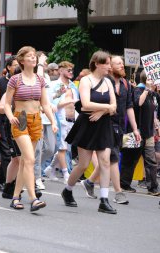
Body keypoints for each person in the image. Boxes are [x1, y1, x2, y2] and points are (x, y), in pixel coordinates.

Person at [62, 50, 117, 214]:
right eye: (106, 63)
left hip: (103, 125)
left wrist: (103, 111)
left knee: (105, 162)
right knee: (83, 165)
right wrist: (107, 107)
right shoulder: (86, 80)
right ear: (97, 64)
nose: (109, 66)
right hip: (87, 124)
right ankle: (68, 190)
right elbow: (85, 104)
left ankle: (104, 200)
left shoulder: (108, 82)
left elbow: (114, 107)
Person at [81, 55, 141, 205]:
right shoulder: (103, 82)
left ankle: (89, 182)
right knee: (113, 158)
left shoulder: (126, 84)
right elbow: (95, 102)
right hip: (105, 124)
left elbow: (129, 107)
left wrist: (135, 129)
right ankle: (118, 192)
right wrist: (104, 111)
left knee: (107, 159)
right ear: (110, 67)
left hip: (119, 126)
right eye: (118, 63)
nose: (122, 66)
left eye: (122, 63)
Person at [4, 46, 57, 212]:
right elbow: (6, 103)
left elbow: (45, 104)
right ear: (22, 61)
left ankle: (15, 197)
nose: (33, 59)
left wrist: (53, 121)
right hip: (20, 119)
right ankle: (33, 198)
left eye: (34, 56)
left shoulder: (40, 80)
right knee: (30, 159)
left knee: (25, 162)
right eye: (29, 57)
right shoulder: (15, 80)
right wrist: (10, 116)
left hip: (36, 120)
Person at [120, 70, 160, 196]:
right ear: (146, 80)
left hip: (149, 133)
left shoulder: (155, 95)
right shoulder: (137, 91)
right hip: (135, 132)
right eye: (152, 79)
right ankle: (124, 184)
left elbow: (158, 113)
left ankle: (153, 187)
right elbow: (138, 103)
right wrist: (147, 89)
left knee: (151, 160)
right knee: (131, 159)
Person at [46, 61, 79, 184]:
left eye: (72, 70)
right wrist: (67, 101)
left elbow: (77, 103)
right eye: (68, 70)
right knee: (62, 148)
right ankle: (66, 174)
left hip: (72, 120)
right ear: (60, 70)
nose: (71, 72)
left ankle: (50, 169)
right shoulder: (56, 85)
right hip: (61, 120)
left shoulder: (73, 86)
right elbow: (53, 105)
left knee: (65, 148)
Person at [0, 56, 19, 191]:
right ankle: (9, 183)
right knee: (6, 153)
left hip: (17, 120)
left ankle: (1, 181)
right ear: (8, 67)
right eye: (15, 65)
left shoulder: (21, 83)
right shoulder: (0, 82)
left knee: (12, 155)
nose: (17, 68)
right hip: (2, 120)